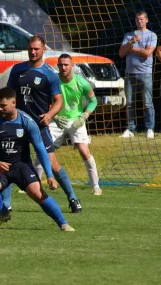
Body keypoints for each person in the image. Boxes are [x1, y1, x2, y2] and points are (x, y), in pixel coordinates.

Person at [0, 87, 74, 231]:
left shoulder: (27, 122)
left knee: (38, 193)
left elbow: (41, 149)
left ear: (14, 103)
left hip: (21, 165)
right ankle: (3, 212)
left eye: (3, 105)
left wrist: (49, 175)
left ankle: (63, 223)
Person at [4, 35, 82, 213]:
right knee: (8, 163)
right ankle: (5, 205)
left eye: (36, 49)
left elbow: (58, 101)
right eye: (31, 48)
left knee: (53, 165)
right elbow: (9, 96)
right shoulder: (17, 70)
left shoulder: (50, 74)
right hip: (18, 125)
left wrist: (49, 114)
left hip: (39, 126)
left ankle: (73, 198)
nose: (33, 52)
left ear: (44, 49)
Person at [51, 54, 102, 195]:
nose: (63, 67)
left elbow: (93, 101)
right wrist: (53, 116)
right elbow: (45, 101)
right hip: (57, 120)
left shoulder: (81, 82)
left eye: (66, 64)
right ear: (57, 65)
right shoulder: (53, 81)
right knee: (45, 150)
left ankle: (96, 186)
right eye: (60, 64)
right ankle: (33, 183)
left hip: (76, 121)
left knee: (84, 151)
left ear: (72, 66)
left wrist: (84, 116)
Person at [119, 11, 157, 139]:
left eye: (141, 19)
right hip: (129, 73)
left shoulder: (152, 35)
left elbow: (147, 53)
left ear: (146, 20)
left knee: (147, 102)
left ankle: (150, 129)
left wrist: (131, 48)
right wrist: (131, 42)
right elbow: (121, 53)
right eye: (137, 20)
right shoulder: (129, 35)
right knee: (129, 103)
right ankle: (130, 129)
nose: (139, 22)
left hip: (145, 73)